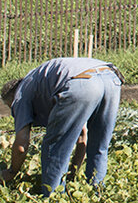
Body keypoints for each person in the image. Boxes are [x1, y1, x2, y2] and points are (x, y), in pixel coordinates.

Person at [1, 57, 123, 195]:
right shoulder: (42, 83)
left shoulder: (20, 94)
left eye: (10, 107)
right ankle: (97, 194)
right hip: (110, 78)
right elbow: (83, 136)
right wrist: (72, 171)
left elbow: (22, 144)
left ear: (11, 99)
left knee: (54, 146)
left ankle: (53, 199)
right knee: (99, 145)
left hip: (81, 82)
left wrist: (12, 171)